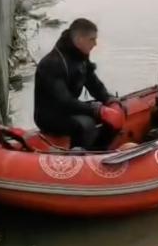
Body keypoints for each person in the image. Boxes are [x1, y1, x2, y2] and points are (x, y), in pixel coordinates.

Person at [33, 18, 124, 149]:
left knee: (117, 115)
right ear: (80, 39)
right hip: (49, 115)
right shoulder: (52, 64)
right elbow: (63, 101)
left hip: (69, 109)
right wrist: (97, 110)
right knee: (84, 124)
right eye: (92, 39)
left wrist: (110, 101)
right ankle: (80, 159)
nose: (95, 44)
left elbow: (94, 85)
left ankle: (98, 151)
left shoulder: (80, 58)